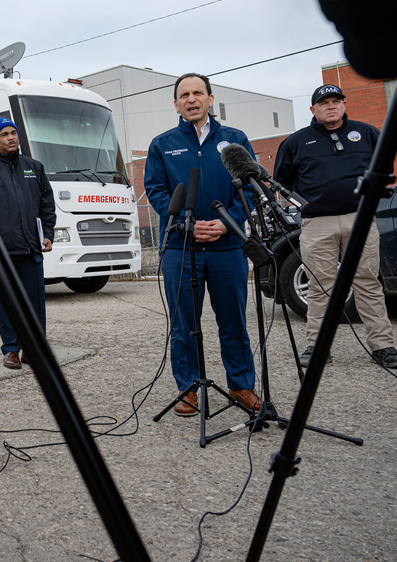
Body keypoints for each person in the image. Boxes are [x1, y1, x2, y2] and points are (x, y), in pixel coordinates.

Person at [144, 73, 260, 416]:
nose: (191, 99)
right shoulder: (161, 145)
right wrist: (187, 224)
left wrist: (226, 224)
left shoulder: (235, 140)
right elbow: (156, 191)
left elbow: (249, 188)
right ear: (176, 104)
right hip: (182, 249)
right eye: (184, 95)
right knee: (184, 324)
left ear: (210, 99)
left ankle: (240, 386)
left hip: (228, 249)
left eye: (198, 93)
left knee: (233, 322)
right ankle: (189, 388)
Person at [274, 84, 397, 369]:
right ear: (313, 109)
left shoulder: (367, 133)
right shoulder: (296, 142)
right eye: (324, 102)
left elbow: (383, 169)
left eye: (336, 101)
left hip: (361, 219)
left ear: (344, 104)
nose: (331, 106)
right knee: (319, 287)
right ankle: (317, 348)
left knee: (368, 282)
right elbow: (283, 182)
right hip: (317, 223)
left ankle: (383, 346)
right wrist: (306, 203)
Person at [0, 116, 56, 369]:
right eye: (5, 134)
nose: (11, 138)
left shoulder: (34, 167)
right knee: (5, 302)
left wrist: (47, 233)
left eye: (13, 133)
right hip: (0, 252)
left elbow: (46, 205)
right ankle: (11, 349)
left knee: (35, 303)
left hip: (31, 248)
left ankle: (34, 349)